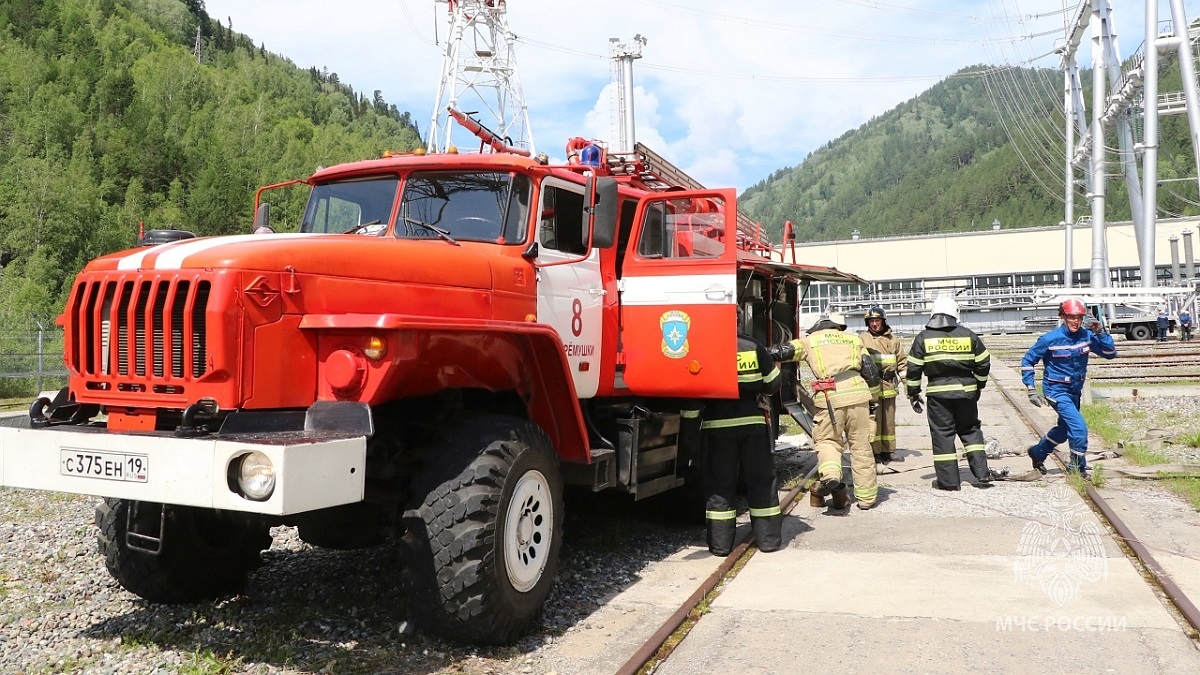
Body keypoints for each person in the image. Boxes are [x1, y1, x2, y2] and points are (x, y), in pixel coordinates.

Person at [770, 312, 880, 510]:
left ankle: (830, 476)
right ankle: (866, 500)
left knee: (827, 440)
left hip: (831, 397)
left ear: (818, 327)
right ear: (837, 327)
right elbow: (871, 370)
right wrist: (872, 400)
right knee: (861, 447)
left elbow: (781, 351)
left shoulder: (809, 341)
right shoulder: (853, 339)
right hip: (859, 395)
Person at [691, 322, 784, 556]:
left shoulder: (704, 349)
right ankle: (769, 541)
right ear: (739, 321)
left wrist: (689, 433)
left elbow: (692, 393)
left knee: (720, 486)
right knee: (761, 481)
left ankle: (720, 546)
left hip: (717, 428)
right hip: (753, 425)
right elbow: (773, 383)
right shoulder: (753, 346)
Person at [1022, 297, 1117, 479]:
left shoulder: (1086, 336)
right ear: (1062, 317)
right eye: (1071, 317)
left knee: (1064, 430)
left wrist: (1101, 333)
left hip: (1074, 390)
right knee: (1079, 428)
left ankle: (1038, 452)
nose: (1076, 321)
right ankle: (1077, 468)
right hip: (1056, 390)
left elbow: (1110, 354)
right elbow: (1028, 361)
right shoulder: (1050, 339)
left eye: (1079, 317)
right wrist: (1031, 388)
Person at [905, 295, 992, 491]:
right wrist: (979, 385)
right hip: (966, 393)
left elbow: (913, 369)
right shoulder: (969, 335)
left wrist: (913, 392)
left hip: (938, 396)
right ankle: (982, 474)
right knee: (971, 431)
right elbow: (984, 362)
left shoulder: (923, 338)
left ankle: (949, 482)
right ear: (955, 313)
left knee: (943, 436)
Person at [859, 305, 907, 464]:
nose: (874, 324)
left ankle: (889, 451)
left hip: (889, 386)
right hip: (871, 387)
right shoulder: (862, 339)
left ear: (883, 321)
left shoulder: (894, 340)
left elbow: (902, 363)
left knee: (889, 422)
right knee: (874, 422)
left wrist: (908, 385)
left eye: (877, 321)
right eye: (871, 321)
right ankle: (875, 453)